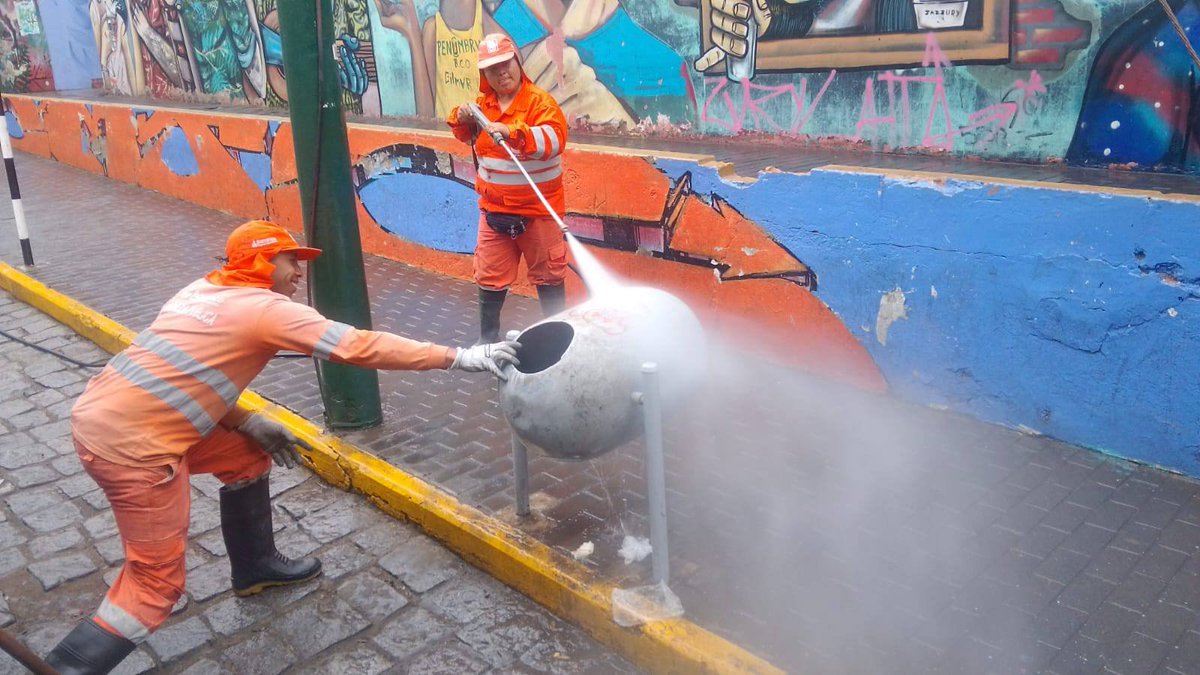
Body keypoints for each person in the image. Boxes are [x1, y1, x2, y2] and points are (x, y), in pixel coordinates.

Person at [44, 220, 519, 674]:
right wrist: (459, 357)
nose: (299, 272)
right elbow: (357, 346)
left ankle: (255, 568)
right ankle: (64, 668)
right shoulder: (266, 309)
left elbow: (182, 378)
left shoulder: (201, 290)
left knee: (244, 455)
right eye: (290, 260)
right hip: (135, 451)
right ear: (261, 263)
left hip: (103, 417)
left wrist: (246, 419)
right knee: (153, 585)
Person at [448, 33, 569, 343]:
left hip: (538, 214)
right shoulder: (483, 107)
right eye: (493, 69)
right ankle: (487, 339)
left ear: (517, 62)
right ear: (484, 76)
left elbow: (554, 141)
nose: (502, 72)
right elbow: (464, 135)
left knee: (549, 276)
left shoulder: (540, 103)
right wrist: (461, 118)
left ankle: (558, 339)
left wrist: (514, 132)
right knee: (488, 277)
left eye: (506, 64)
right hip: (494, 213)